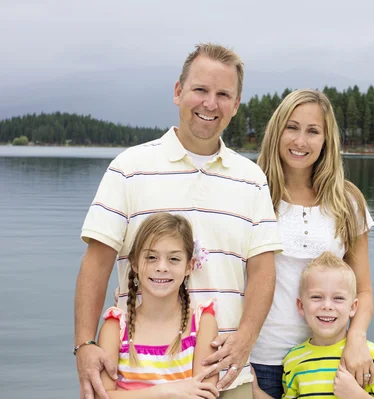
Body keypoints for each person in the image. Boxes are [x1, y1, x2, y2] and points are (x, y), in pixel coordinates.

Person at [74, 43, 282, 399]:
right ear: (178, 92)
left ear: (235, 104)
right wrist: (84, 344)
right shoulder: (129, 168)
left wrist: (245, 339)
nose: (210, 104)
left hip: (223, 378)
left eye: (223, 94)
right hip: (137, 380)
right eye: (200, 89)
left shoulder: (252, 178)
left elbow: (263, 271)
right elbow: (97, 263)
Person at [251, 89, 374, 398]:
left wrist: (357, 338)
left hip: (328, 360)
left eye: (312, 131)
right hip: (259, 360)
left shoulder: (348, 202)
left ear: (326, 140)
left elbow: (364, 291)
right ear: (277, 131)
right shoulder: (252, 193)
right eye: (291, 127)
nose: (300, 141)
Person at [96, 212, 220, 398]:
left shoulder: (203, 323)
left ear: (189, 266)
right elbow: (101, 396)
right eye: (151, 257)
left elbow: (205, 394)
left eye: (174, 259)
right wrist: (167, 392)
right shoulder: (115, 328)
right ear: (135, 264)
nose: (162, 267)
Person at [252, 252, 374, 398]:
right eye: (317, 297)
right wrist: (255, 392)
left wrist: (356, 395)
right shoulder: (293, 360)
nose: (327, 306)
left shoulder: (371, 355)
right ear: (301, 306)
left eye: (338, 298)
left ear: (353, 307)